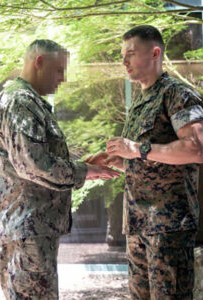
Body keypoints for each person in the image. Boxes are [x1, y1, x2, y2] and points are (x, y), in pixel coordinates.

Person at [0, 39, 120, 300]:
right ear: (39, 63)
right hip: (26, 230)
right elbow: (33, 165)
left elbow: (35, 159)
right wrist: (85, 172)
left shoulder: (25, 101)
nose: (63, 79)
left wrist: (85, 165)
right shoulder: (20, 102)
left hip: (28, 229)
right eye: (59, 70)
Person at [85, 25, 203, 299]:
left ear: (155, 53)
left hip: (168, 226)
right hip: (138, 225)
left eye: (130, 53)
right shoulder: (140, 102)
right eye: (122, 55)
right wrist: (118, 160)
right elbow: (149, 159)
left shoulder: (178, 94)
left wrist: (136, 148)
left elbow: (197, 149)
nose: (124, 61)